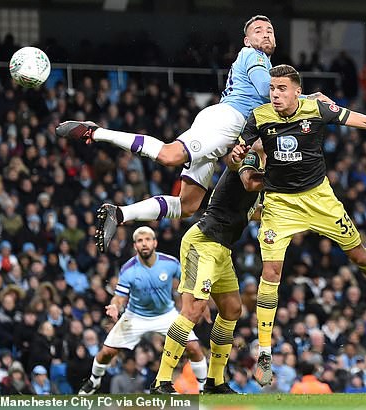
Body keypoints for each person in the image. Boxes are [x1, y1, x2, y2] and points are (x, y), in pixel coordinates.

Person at [230, 64, 366, 387]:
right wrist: (238, 155)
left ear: (297, 90)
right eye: (272, 89)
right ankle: (264, 352)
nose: (276, 94)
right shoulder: (259, 117)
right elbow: (236, 156)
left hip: (320, 199)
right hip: (280, 203)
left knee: (360, 255)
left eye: (282, 89)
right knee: (270, 272)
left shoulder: (317, 108)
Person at [56, 15, 327, 253]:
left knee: (187, 205)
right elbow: (265, 90)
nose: (266, 33)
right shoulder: (254, 57)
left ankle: (120, 213)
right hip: (227, 120)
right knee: (169, 155)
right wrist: (311, 100)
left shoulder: (263, 63)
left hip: (228, 129)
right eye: (258, 30)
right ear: (246, 41)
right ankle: (97, 132)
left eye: (270, 30)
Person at [150, 147, 264, 394]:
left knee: (233, 309)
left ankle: (214, 381)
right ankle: (161, 380)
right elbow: (248, 181)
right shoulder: (251, 157)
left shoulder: (265, 168)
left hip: (221, 248)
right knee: (193, 310)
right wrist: (284, 182)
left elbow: (248, 212)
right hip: (202, 242)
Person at [78, 226, 207, 394]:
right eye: (140, 241)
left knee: (194, 348)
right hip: (136, 316)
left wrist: (199, 302)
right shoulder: (128, 269)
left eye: (147, 239)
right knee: (107, 352)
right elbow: (119, 296)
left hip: (166, 315)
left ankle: (205, 388)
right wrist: (115, 306)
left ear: (155, 242)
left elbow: (190, 283)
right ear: (135, 246)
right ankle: (94, 380)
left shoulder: (170, 263)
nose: (144, 244)